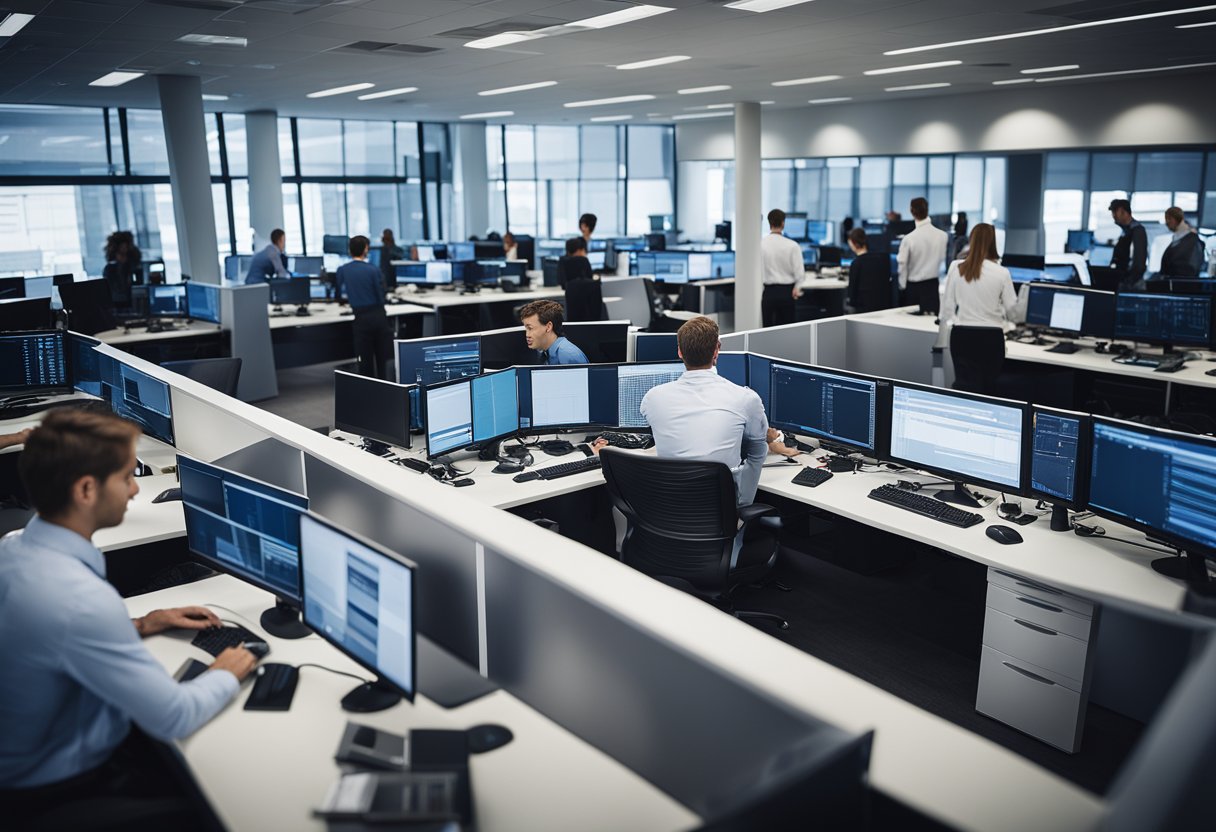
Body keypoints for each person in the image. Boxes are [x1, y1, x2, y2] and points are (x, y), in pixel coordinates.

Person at [0, 408, 257, 824]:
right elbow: (175, 715)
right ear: (86, 489)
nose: (135, 489)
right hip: (56, 784)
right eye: (124, 476)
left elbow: (47, 634)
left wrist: (141, 624)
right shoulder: (77, 600)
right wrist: (227, 670)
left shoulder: (13, 546)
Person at [639, 315, 769, 511]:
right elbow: (757, 453)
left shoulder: (652, 398)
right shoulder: (746, 399)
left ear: (680, 352)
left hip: (666, 518)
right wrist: (741, 507)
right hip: (721, 521)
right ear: (717, 349)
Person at [941, 224, 1016, 395]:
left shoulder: (957, 268)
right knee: (989, 391)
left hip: (961, 337)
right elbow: (1013, 312)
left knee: (965, 390)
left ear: (971, 241)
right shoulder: (1002, 273)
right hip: (991, 339)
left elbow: (946, 309)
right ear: (993, 243)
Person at [335, 235, 393, 380]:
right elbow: (381, 295)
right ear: (365, 249)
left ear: (350, 250)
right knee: (383, 358)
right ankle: (387, 388)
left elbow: (338, 295)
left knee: (364, 360)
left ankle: (367, 390)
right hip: (379, 317)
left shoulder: (342, 270)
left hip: (360, 318)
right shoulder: (374, 270)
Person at [897, 197, 949, 315]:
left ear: (911, 211)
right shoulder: (942, 236)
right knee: (931, 328)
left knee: (911, 328)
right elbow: (942, 260)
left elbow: (902, 265)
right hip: (932, 287)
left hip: (913, 289)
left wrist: (902, 287)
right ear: (927, 210)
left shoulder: (908, 239)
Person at [760, 208, 804, 327]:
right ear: (783, 223)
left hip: (768, 293)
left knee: (767, 331)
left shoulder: (760, 244)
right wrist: (797, 287)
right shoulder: (793, 245)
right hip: (786, 293)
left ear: (769, 223)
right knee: (786, 331)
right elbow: (800, 274)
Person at [519, 299, 588, 365]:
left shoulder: (569, 356)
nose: (527, 335)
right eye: (526, 329)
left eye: (530, 328)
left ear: (548, 327)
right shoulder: (544, 352)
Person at [845, 227, 893, 314]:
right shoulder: (882, 259)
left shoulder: (856, 263)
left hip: (863, 309)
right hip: (883, 306)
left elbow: (851, 293)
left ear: (853, 243)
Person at [1109, 199, 1148, 290]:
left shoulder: (1137, 231)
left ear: (1124, 212)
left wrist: (1129, 282)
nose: (1113, 216)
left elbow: (1139, 261)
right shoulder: (1126, 231)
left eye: (1115, 212)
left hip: (1132, 285)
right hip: (1125, 281)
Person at [1159, 206, 1205, 277]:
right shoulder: (1178, 240)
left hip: (1181, 284)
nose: (1167, 222)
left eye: (1169, 219)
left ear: (1177, 218)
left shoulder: (1192, 241)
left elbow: (1191, 268)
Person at [102, 230, 141, 308]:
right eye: (120, 254)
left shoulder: (133, 267)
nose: (123, 258)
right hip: (117, 305)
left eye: (125, 254)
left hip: (133, 303)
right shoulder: (109, 269)